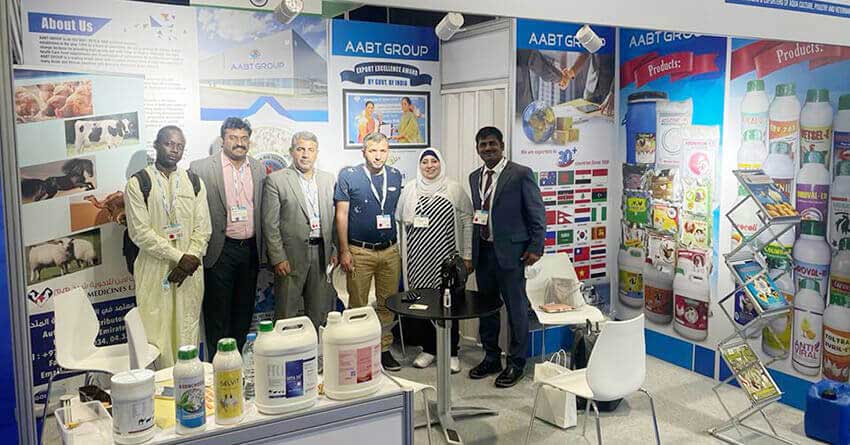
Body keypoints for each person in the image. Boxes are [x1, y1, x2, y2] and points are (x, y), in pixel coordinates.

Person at [125, 126, 211, 368]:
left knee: (187, 329)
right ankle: (160, 387)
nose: (174, 149)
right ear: (156, 145)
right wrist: (178, 257)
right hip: (155, 269)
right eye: (169, 143)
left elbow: (203, 227)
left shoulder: (194, 182)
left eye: (179, 145)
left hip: (190, 271)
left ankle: (188, 381)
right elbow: (140, 232)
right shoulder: (139, 183)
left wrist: (189, 259)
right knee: (156, 333)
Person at [468, 126, 546, 388]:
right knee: (487, 309)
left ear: (502, 146)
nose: (488, 148)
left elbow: (537, 212)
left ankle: (516, 363)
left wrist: (536, 246)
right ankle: (491, 357)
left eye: (492, 143)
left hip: (513, 254)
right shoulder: (474, 177)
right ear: (477, 149)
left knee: (516, 310)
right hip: (484, 253)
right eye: (483, 145)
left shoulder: (520, 173)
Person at [190, 117, 266, 357]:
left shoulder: (258, 168)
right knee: (217, 314)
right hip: (219, 250)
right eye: (233, 137)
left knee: (244, 312)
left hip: (249, 250)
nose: (239, 143)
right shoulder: (200, 168)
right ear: (223, 140)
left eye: (244, 138)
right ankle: (218, 366)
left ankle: (237, 364)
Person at [397, 148, 472, 373]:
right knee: (423, 304)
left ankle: (452, 352)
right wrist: (400, 254)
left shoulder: (454, 189)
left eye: (434, 161)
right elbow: (400, 223)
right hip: (417, 259)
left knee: (450, 305)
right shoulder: (410, 189)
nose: (429, 166)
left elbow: (467, 222)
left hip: (446, 259)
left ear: (441, 164)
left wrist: (467, 255)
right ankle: (429, 349)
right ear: (419, 166)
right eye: (425, 162)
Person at [335, 131, 403, 371]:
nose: (378, 156)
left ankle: (383, 349)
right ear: (363, 152)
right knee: (358, 304)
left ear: (388, 152)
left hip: (390, 251)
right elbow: (341, 215)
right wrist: (344, 250)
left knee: (387, 303)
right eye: (373, 151)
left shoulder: (395, 175)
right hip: (359, 251)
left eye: (383, 150)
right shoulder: (349, 175)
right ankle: (359, 348)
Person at [263, 131, 338, 330]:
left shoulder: (328, 179)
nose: (305, 154)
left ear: (316, 153)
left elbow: (334, 219)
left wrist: (335, 249)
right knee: (286, 313)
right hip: (290, 257)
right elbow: (270, 224)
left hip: (322, 254)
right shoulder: (276, 180)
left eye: (310, 150)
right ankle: (284, 349)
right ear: (291, 152)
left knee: (319, 312)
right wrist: (278, 257)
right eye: (300, 149)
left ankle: (316, 347)